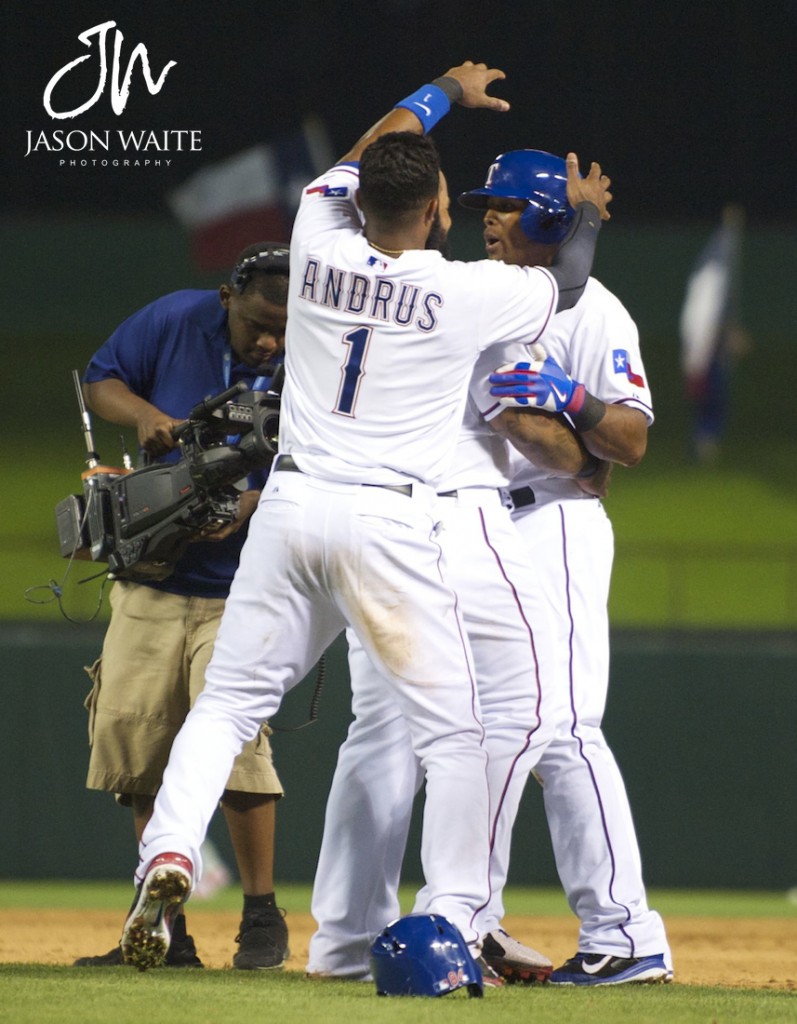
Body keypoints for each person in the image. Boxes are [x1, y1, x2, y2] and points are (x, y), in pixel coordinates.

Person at [119, 60, 611, 974]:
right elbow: (570, 282)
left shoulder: (316, 240)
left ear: (354, 199)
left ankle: (170, 854)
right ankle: (456, 918)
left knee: (227, 705)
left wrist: (437, 97)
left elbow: (361, 155)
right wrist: (581, 212)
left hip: (294, 504)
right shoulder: (470, 292)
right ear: (435, 211)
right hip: (390, 522)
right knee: (458, 732)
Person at [307, 150, 671, 989]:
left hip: (551, 530)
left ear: (548, 218)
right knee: (427, 731)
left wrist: (568, 408)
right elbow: (545, 438)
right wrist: (547, 428)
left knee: (564, 729)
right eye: (481, 205)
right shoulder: (475, 290)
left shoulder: (596, 314)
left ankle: (622, 933)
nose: (488, 218)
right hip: (456, 530)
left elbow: (629, 443)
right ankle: (452, 924)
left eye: (505, 206)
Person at [73, 243, 291, 971]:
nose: (269, 341)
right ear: (228, 298)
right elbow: (100, 380)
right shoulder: (175, 319)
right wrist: (145, 417)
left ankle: (260, 919)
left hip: (244, 587)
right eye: (259, 323)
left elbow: (337, 456)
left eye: (282, 328)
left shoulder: (314, 351)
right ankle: (168, 934)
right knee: (142, 754)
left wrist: (257, 503)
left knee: (238, 754)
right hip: (151, 576)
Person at [680, 202, 750, 463]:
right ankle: (704, 440)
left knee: (715, 402)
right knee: (710, 401)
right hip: (709, 358)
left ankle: (706, 440)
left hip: (712, 356)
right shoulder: (709, 288)